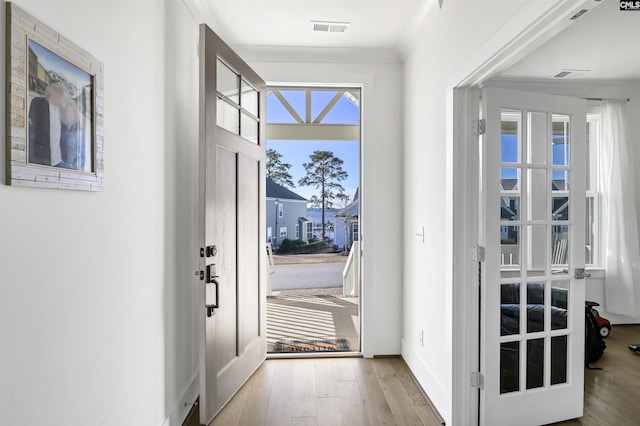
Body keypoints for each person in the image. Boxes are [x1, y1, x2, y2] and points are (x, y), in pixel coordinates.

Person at [28, 82, 67, 166]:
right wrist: (32, 157)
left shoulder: (63, 111)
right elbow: (31, 130)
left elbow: (64, 135)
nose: (59, 96)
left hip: (58, 161)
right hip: (40, 159)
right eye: (57, 92)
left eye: (61, 94)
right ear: (51, 92)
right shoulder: (37, 103)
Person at [60, 101, 85, 170]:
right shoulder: (59, 130)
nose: (69, 114)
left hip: (71, 171)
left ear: (75, 115)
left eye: (72, 112)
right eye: (67, 111)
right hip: (58, 168)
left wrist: (72, 168)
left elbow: (82, 157)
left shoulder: (79, 133)